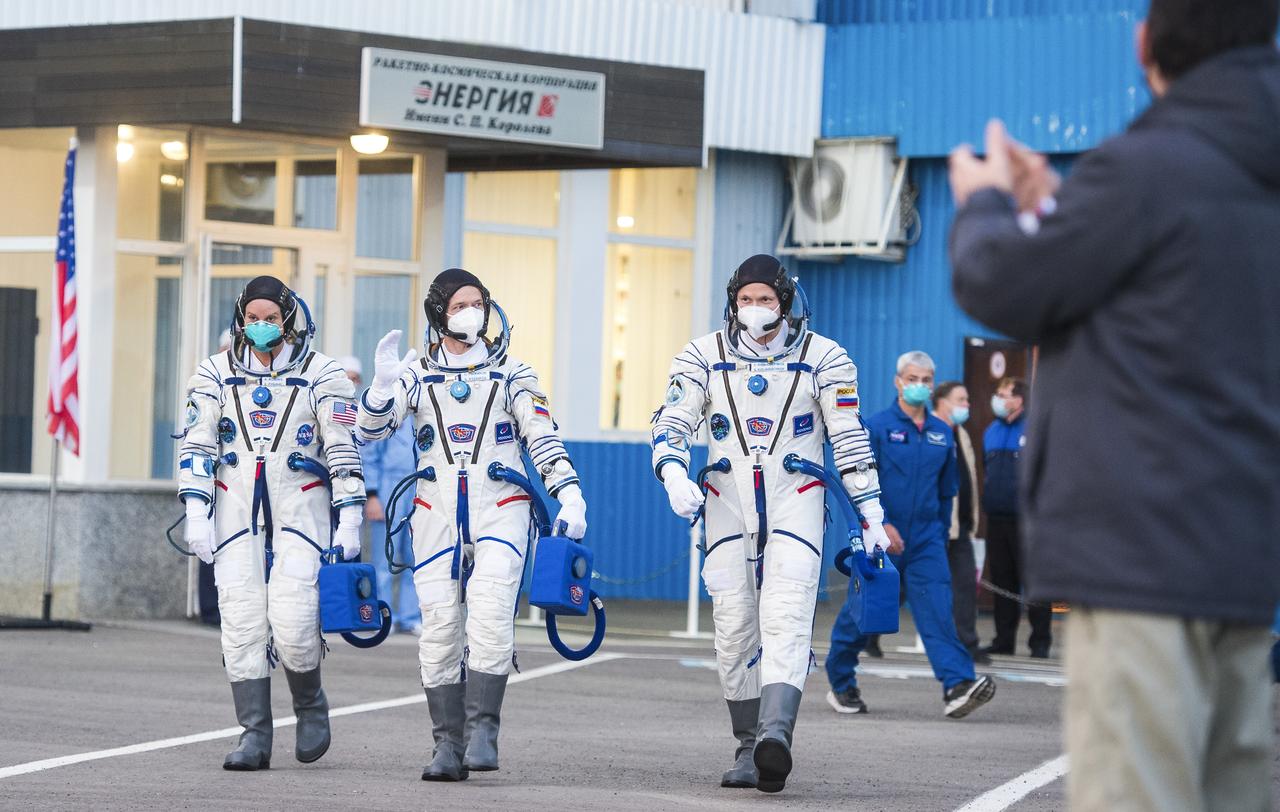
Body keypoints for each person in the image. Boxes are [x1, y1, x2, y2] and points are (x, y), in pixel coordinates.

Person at [948, 1, 1280, 808]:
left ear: (1146, 43)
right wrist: (1056, 204)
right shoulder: (1248, 162)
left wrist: (988, 205)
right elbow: (1160, 285)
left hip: (1142, 561)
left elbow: (1004, 283)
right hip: (1241, 561)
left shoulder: (1149, 166)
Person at [651, 254, 890, 794]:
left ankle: (774, 736)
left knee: (786, 613)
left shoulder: (825, 358)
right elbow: (671, 420)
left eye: (765, 300)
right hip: (726, 501)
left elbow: (848, 438)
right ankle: (746, 745)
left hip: (796, 498)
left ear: (786, 302)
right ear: (732, 303)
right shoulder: (702, 356)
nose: (755, 310)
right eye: (745, 300)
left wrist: (870, 511)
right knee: (734, 628)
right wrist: (671, 472)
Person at [356, 268, 587, 782]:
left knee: (489, 612)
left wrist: (569, 493)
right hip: (435, 513)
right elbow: (371, 432)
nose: (471, 312)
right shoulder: (415, 377)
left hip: (501, 507)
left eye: (478, 302)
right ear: (439, 313)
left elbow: (542, 438)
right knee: (438, 625)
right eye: (460, 304)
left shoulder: (514, 374)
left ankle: (483, 730)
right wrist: (380, 387)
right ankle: (446, 743)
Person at [178, 276, 365, 771]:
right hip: (235, 506)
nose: (262, 327)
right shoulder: (214, 374)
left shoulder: (323, 374)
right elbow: (197, 445)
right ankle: (254, 734)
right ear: (241, 319)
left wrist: (349, 516)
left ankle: (310, 707)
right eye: (254, 318)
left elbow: (343, 447)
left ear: (289, 319)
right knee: (240, 619)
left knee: (294, 617)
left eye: (272, 318)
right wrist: (196, 510)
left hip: (300, 504)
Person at [825, 353, 995, 720]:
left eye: (926, 379)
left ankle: (958, 685)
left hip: (928, 539)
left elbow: (948, 488)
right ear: (898, 381)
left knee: (938, 610)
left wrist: (941, 531)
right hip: (882, 537)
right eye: (912, 378)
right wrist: (880, 524)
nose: (920, 384)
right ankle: (840, 679)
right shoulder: (877, 427)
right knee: (867, 611)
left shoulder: (941, 432)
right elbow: (859, 483)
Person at [341, 355, 422, 636]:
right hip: (387, 491)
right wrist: (372, 495)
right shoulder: (386, 415)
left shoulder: (420, 417)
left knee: (415, 558)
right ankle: (384, 613)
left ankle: (411, 616)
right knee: (383, 559)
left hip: (417, 491)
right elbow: (369, 457)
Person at [980, 377, 1051, 658]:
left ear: (1019, 399)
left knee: (1033, 582)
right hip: (997, 519)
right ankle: (1003, 639)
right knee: (1002, 580)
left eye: (1003, 394)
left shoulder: (1035, 431)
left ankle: (1040, 642)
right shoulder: (991, 431)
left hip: (1028, 521)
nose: (997, 398)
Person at [931, 381, 987, 665]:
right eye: (961, 399)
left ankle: (968, 643)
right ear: (942, 401)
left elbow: (971, 479)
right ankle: (867, 636)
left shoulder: (961, 433)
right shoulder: (930, 431)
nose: (967, 405)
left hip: (960, 526)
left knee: (965, 586)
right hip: (934, 526)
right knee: (906, 584)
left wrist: (973, 519)